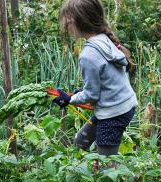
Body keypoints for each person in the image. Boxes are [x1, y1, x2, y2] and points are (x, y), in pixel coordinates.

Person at [52, 0, 137, 156]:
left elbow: (92, 95)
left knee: (107, 160)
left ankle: (108, 176)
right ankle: (90, 169)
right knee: (81, 140)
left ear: (75, 21)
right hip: (124, 104)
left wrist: (69, 99)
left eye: (67, 22)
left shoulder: (88, 55)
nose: (66, 27)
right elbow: (106, 80)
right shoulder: (103, 39)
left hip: (114, 112)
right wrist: (78, 94)